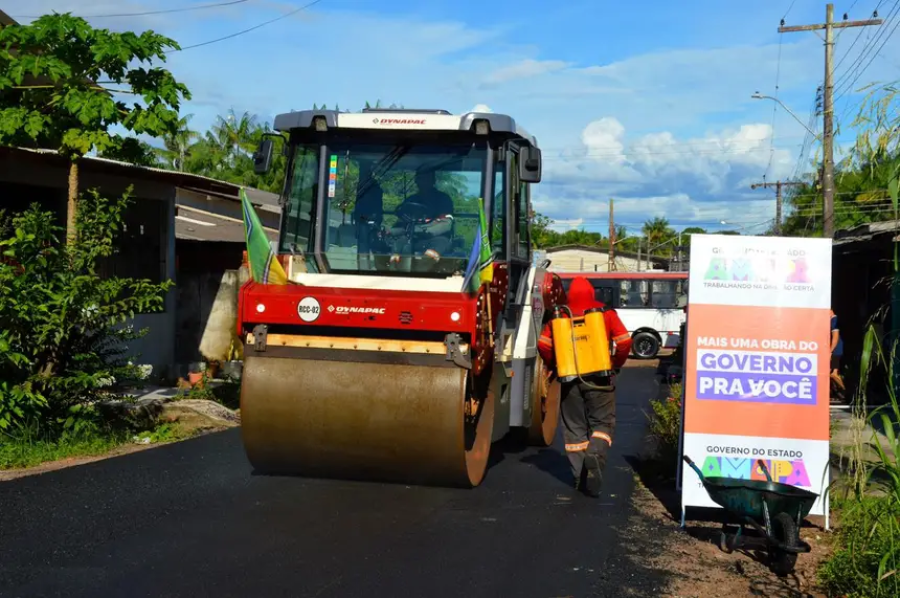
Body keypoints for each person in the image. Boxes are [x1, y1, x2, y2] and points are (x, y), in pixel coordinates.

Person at [538, 277, 633, 497]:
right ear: (592, 293)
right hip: (600, 378)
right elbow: (625, 341)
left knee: (574, 429)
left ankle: (580, 479)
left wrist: (556, 364)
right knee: (602, 422)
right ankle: (595, 453)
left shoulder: (559, 315)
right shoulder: (604, 313)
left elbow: (543, 345)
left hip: (570, 379)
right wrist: (614, 364)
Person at [389, 170, 455, 263]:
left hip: (434, 237)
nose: (422, 182)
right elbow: (402, 223)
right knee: (399, 242)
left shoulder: (443, 199)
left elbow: (445, 224)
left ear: (433, 181)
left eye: (426, 179)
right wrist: (390, 231)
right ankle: (393, 263)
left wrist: (423, 230)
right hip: (412, 238)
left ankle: (427, 263)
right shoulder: (411, 200)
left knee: (442, 242)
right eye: (420, 179)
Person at [830, 308, 846, 400]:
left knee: (833, 374)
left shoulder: (834, 320)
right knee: (831, 373)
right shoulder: (833, 320)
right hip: (836, 349)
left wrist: (830, 351)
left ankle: (846, 392)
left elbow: (835, 338)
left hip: (836, 350)